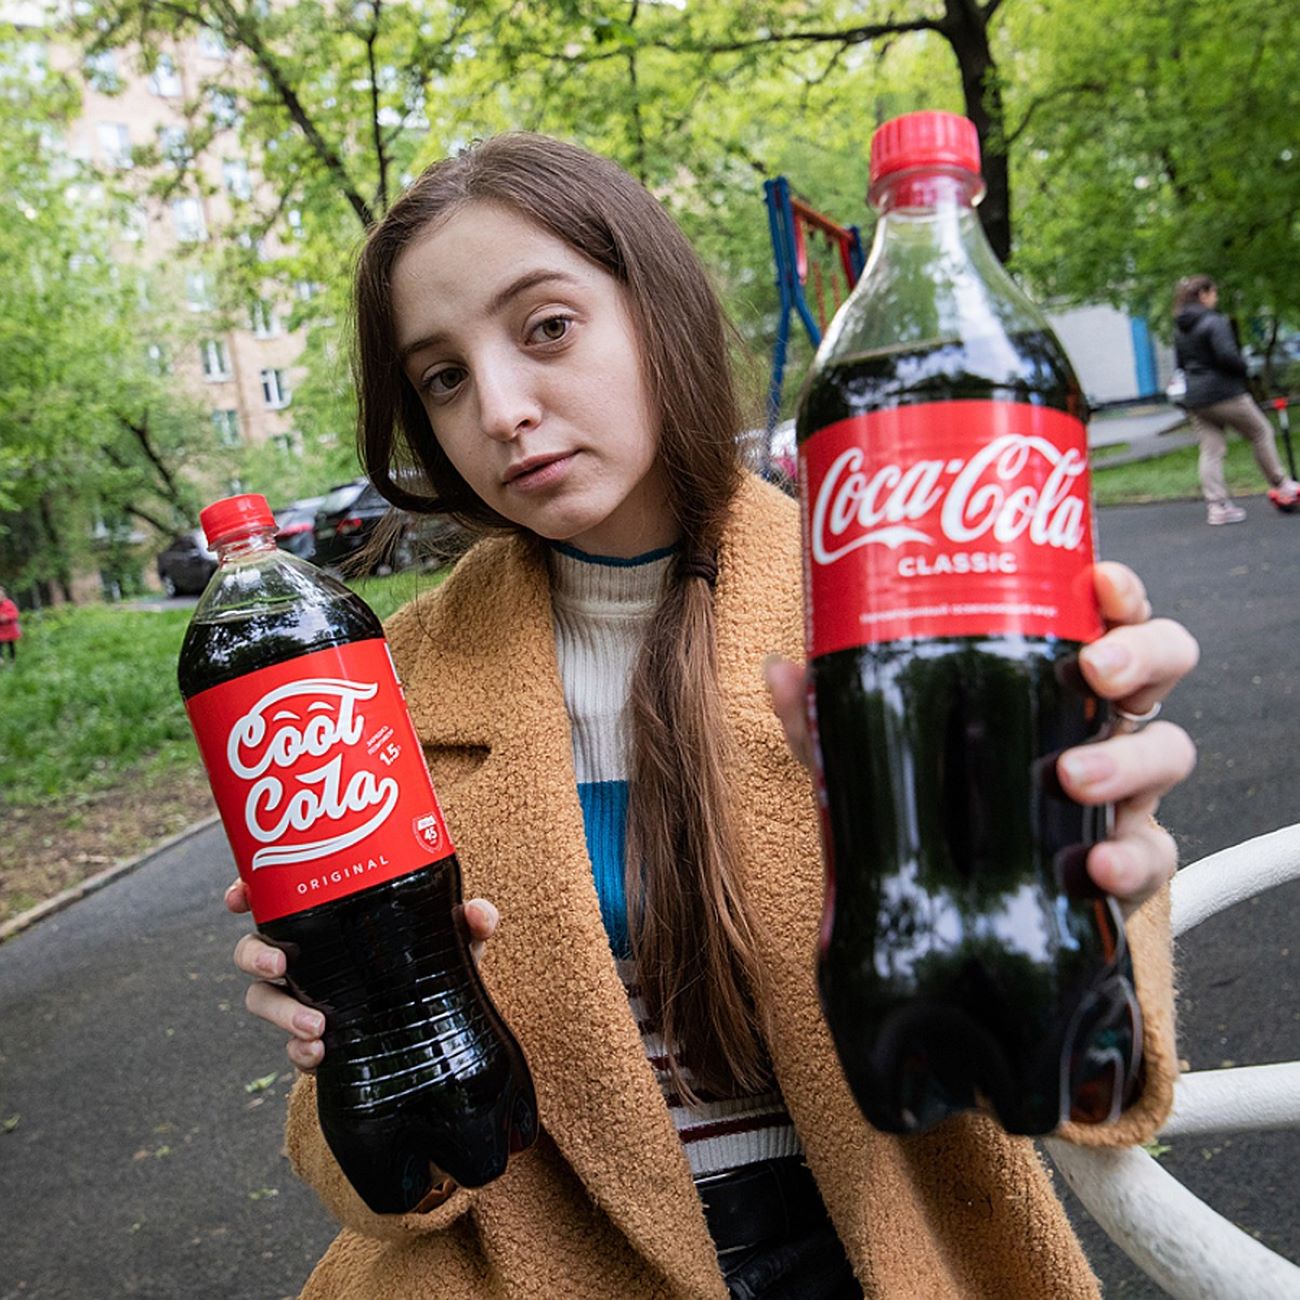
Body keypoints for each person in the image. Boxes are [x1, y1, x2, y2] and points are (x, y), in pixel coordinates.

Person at [227, 134, 1199, 1299]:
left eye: (544, 328)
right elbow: (384, 1178)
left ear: (659, 311)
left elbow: (1068, 1087)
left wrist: (1102, 858)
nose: (500, 409)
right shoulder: (377, 686)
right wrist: (337, 1039)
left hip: (867, 1257)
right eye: (441, 376)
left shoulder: (900, 577)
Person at [1172, 274, 1300, 525]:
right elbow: (1227, 356)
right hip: (1224, 392)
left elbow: (1179, 363)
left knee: (1211, 449)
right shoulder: (1214, 321)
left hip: (1195, 396)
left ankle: (1217, 506)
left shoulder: (1180, 327)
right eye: (1213, 294)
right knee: (1260, 431)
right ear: (1203, 294)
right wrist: (1245, 370)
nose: (1215, 299)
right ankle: (1281, 484)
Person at [0, 587, 21, 663]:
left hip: (10, 628)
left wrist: (7, 617)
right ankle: (1, 658)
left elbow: (15, 614)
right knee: (0, 643)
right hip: (1, 629)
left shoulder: (9, 603)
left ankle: (12, 659)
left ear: (3, 596)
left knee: (10, 644)